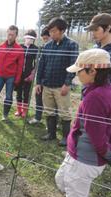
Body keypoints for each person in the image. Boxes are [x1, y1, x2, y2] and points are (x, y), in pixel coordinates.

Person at [49, 48, 111, 197]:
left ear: (93, 71)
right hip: (79, 153)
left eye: (79, 71)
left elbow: (97, 136)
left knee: (75, 190)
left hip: (86, 158)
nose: (77, 74)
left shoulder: (95, 97)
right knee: (62, 180)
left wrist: (107, 155)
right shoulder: (101, 90)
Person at [36, 17, 79, 146]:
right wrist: (38, 82)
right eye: (50, 31)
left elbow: (73, 66)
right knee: (49, 110)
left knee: (64, 112)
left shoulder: (71, 45)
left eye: (54, 31)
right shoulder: (47, 45)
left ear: (62, 30)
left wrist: (67, 84)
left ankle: (66, 137)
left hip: (61, 86)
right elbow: (41, 65)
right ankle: (51, 133)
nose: (51, 34)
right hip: (47, 85)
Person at [0, 25, 24, 122]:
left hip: (11, 77)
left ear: (16, 35)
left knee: (8, 97)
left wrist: (17, 80)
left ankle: (5, 115)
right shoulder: (0, 47)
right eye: (9, 34)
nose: (10, 36)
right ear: (7, 33)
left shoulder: (19, 50)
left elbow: (20, 67)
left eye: (12, 35)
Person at [29, 27, 51, 125]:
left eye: (47, 38)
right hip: (41, 78)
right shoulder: (41, 49)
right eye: (43, 39)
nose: (45, 41)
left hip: (51, 79)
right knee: (38, 96)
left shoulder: (55, 49)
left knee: (52, 101)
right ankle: (38, 117)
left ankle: (55, 121)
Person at [15, 29, 39, 119]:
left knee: (26, 93)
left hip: (29, 74)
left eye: (31, 39)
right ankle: (19, 110)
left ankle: (25, 111)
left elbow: (36, 63)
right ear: (25, 38)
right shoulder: (20, 47)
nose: (29, 40)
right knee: (19, 92)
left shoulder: (35, 49)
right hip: (19, 74)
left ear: (34, 39)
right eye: (27, 38)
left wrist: (32, 74)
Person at [85, 13, 111, 81]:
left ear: (108, 28)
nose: (93, 33)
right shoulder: (95, 48)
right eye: (91, 30)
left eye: (96, 30)